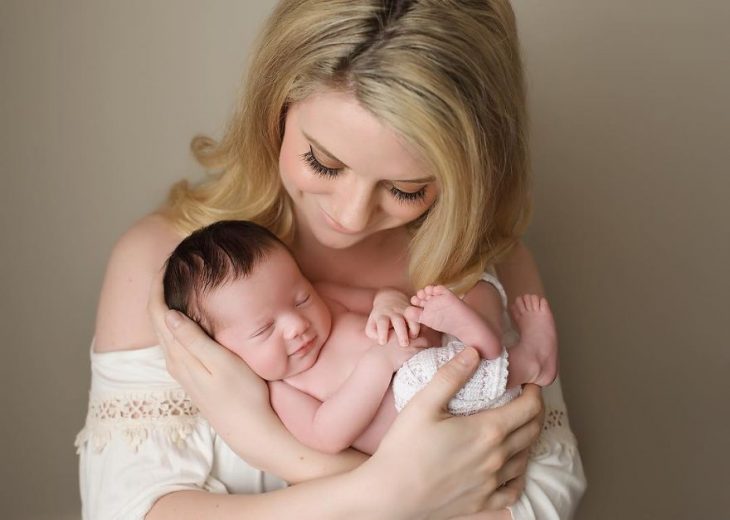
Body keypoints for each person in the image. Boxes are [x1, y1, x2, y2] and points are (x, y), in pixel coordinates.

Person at [76, 1, 586, 518]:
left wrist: (274, 447)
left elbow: (541, 498)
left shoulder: (483, 264)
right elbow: (125, 510)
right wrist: (388, 493)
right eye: (323, 162)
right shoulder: (165, 273)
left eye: (406, 189)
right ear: (274, 111)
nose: (352, 214)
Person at [162, 219, 558, 454]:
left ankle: (475, 333)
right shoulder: (282, 387)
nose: (295, 324)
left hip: (443, 357)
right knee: (435, 376)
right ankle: (530, 361)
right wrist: (378, 363)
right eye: (265, 329)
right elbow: (325, 434)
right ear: (222, 351)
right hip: (428, 418)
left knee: (478, 290)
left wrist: (388, 305)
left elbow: (380, 297)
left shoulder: (328, 299)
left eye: (300, 298)